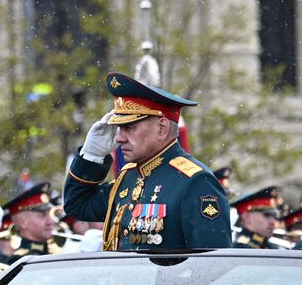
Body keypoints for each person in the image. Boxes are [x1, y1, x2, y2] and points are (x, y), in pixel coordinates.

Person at [63, 71, 231, 250]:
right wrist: (92, 156)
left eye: (128, 128)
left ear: (162, 128)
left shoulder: (196, 182)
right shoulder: (129, 177)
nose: (119, 138)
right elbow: (77, 205)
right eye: (118, 128)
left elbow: (211, 265)